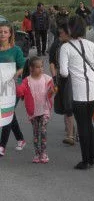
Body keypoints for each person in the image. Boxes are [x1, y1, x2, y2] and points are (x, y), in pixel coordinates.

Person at [59, 16, 94, 170]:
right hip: (93, 89)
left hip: (78, 91)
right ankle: (92, 158)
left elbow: (64, 73)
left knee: (82, 124)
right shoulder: (91, 44)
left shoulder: (66, 47)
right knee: (88, 124)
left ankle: (86, 160)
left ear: (70, 29)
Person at [16, 56, 54, 163]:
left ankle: (44, 153)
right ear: (31, 68)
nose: (41, 69)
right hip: (33, 111)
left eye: (42, 67)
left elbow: (50, 93)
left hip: (44, 109)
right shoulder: (26, 81)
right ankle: (37, 154)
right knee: (36, 132)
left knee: (43, 130)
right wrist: (15, 83)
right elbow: (20, 92)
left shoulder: (46, 78)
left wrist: (53, 90)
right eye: (38, 67)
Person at [0, 22, 26, 157]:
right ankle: (20, 139)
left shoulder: (16, 50)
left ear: (10, 34)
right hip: (0, 88)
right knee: (9, 114)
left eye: (5, 32)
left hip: (12, 88)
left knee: (6, 113)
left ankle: (1, 146)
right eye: (0, 32)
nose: (2, 34)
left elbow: (23, 66)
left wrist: (16, 74)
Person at [48, 23, 76, 145]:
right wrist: (55, 79)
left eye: (62, 32)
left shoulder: (77, 44)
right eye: (59, 32)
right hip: (63, 78)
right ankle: (70, 133)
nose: (60, 34)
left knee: (75, 105)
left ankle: (73, 132)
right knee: (67, 106)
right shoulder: (57, 44)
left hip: (76, 77)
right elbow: (52, 63)